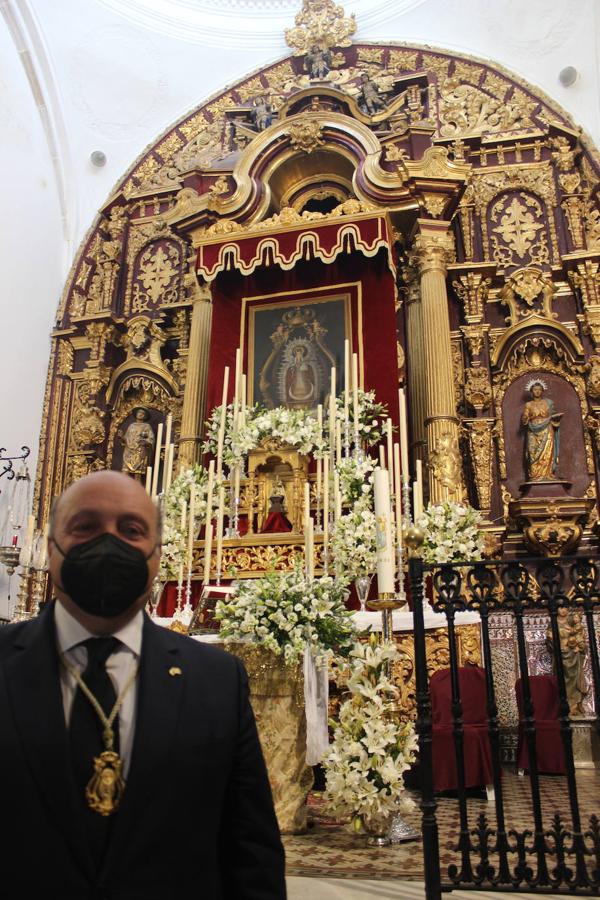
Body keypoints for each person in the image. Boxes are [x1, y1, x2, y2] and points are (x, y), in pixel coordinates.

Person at [0, 470, 285, 899]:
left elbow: (250, 852)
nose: (108, 543)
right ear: (51, 547)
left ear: (156, 555)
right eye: (85, 527)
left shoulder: (217, 680)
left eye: (131, 530)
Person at [521, 379, 562, 481]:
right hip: (532, 430)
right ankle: (534, 475)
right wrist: (525, 417)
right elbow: (525, 415)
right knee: (532, 452)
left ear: (542, 391)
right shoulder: (528, 405)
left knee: (547, 452)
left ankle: (547, 474)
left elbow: (553, 415)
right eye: (535, 389)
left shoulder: (548, 402)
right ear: (531, 391)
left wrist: (556, 418)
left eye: (539, 389)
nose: (537, 391)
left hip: (547, 429)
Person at [119, 407, 155, 478]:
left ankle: (137, 488)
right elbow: (126, 439)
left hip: (139, 451)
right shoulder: (131, 426)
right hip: (128, 452)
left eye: (142, 413)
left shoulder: (147, 426)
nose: (140, 414)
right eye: (139, 412)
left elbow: (151, 439)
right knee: (125, 473)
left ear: (145, 416)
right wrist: (122, 437)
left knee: (137, 474)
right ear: (136, 414)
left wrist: (146, 442)